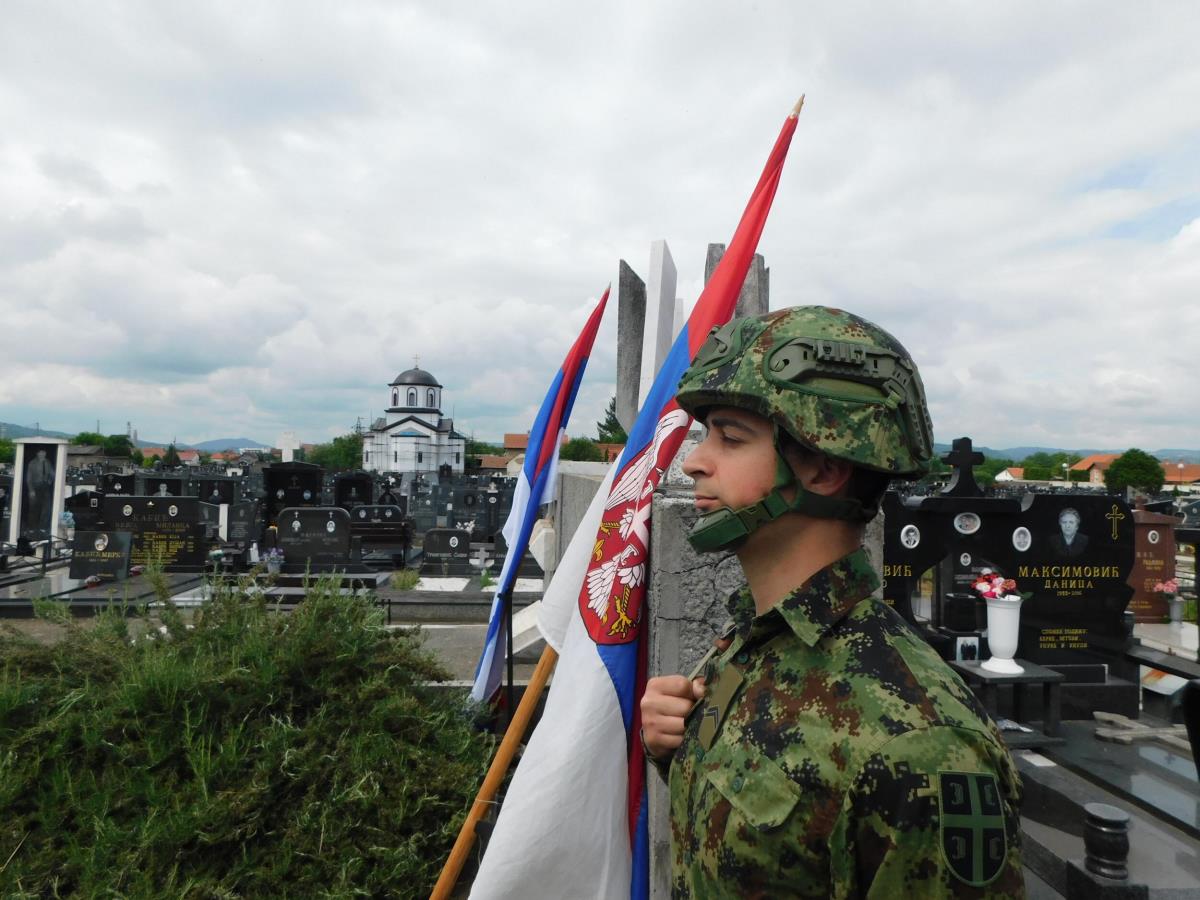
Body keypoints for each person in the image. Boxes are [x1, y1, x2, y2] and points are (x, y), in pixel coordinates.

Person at [640, 307, 1025, 897]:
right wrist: (672, 748)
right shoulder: (755, 642)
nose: (694, 460)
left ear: (821, 469)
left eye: (730, 437)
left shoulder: (924, 746)